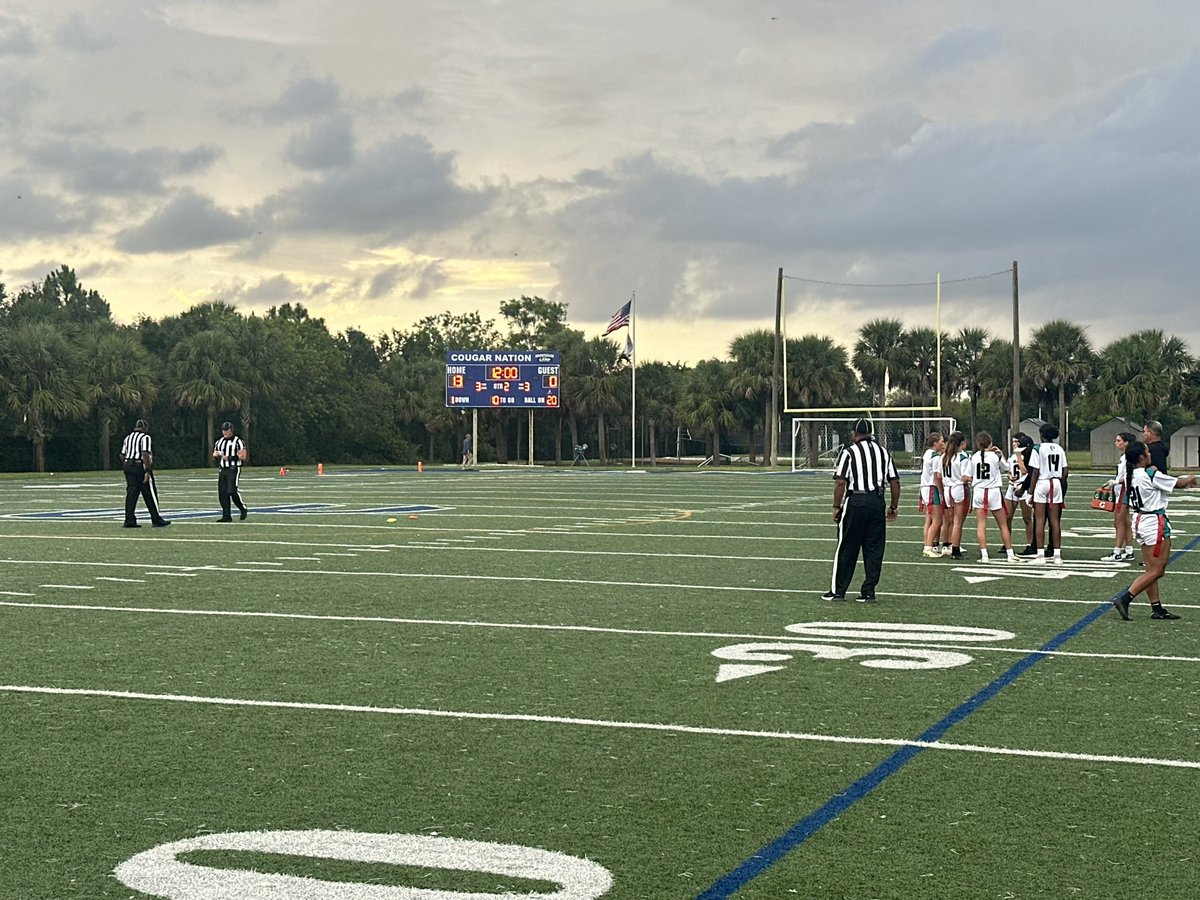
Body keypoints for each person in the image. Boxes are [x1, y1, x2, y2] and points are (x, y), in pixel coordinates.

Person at [1110, 440, 1199, 620]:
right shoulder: (1148, 474)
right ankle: (1125, 598)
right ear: (1141, 456)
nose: (1150, 454)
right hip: (1154, 522)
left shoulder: (1131, 474)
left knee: (1150, 569)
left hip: (1140, 520)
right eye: (1147, 452)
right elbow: (1179, 484)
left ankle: (1156, 608)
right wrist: (1192, 476)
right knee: (1157, 570)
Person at [823, 418, 900, 603]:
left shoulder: (849, 452)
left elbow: (840, 481)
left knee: (847, 546)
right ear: (871, 433)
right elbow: (895, 481)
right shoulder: (883, 452)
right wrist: (893, 506)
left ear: (853, 434)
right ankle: (868, 592)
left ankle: (838, 591)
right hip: (877, 501)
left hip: (856, 500)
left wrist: (836, 506)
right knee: (874, 548)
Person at [969, 431, 1015, 562]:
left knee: (981, 524)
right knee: (1003, 524)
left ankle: (984, 555)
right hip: (993, 491)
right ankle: (1010, 553)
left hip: (979, 491)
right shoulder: (996, 456)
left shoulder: (974, 457)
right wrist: (1000, 453)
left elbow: (970, 474)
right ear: (990, 442)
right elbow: (1007, 467)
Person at [1026, 423, 1068, 564]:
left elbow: (1035, 472)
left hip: (1042, 483)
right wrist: (1059, 485)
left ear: (1042, 435)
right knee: (1055, 521)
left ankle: (1040, 555)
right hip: (1055, 483)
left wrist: (1030, 493)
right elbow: (1065, 471)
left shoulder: (1038, 448)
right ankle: (1057, 555)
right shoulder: (1059, 448)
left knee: (1040, 520)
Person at [120, 419, 170, 528]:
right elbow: (145, 453)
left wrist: (126, 465)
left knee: (131, 494)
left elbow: (122, 454)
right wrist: (147, 470)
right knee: (149, 493)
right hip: (139, 467)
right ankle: (156, 518)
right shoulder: (145, 437)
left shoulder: (128, 438)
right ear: (144, 428)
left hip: (129, 466)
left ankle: (129, 520)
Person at [1100, 431, 1137, 562]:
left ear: (1126, 442)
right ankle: (1129, 550)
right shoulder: (1125, 456)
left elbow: (1128, 476)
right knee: (1126, 522)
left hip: (1123, 490)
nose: (1116, 443)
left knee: (1118, 522)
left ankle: (1117, 552)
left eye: (1118, 441)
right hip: (1121, 490)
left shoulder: (1128, 457)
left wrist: (1115, 482)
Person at [940, 431, 971, 559]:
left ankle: (948, 545)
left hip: (948, 488)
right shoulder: (962, 458)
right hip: (958, 488)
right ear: (962, 443)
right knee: (958, 522)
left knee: (952, 520)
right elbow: (965, 478)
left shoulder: (944, 456)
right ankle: (955, 549)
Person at [1004, 434, 1035, 556]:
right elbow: (1009, 470)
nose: (1014, 444)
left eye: (1016, 441)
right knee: (1007, 517)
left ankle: (1029, 543)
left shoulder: (1026, 455)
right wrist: (1009, 476)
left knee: (1027, 518)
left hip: (1023, 487)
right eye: (1013, 441)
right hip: (1012, 487)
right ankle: (1007, 543)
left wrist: (1019, 456)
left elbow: (1025, 471)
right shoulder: (1012, 456)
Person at [212, 421, 248, 522]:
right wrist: (217, 455)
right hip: (223, 469)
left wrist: (231, 458)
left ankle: (242, 508)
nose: (224, 432)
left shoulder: (238, 441)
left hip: (233, 469)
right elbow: (214, 454)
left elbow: (243, 456)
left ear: (231, 430)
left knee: (232, 491)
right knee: (222, 493)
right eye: (223, 430)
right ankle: (226, 515)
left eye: (226, 430)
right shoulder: (219, 441)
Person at [919, 432, 945, 558]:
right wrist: (942, 492)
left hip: (926, 487)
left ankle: (927, 544)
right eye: (941, 442)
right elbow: (937, 477)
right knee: (937, 520)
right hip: (931, 488)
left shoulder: (928, 454)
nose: (943, 444)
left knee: (929, 519)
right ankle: (928, 546)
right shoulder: (935, 456)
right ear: (935, 444)